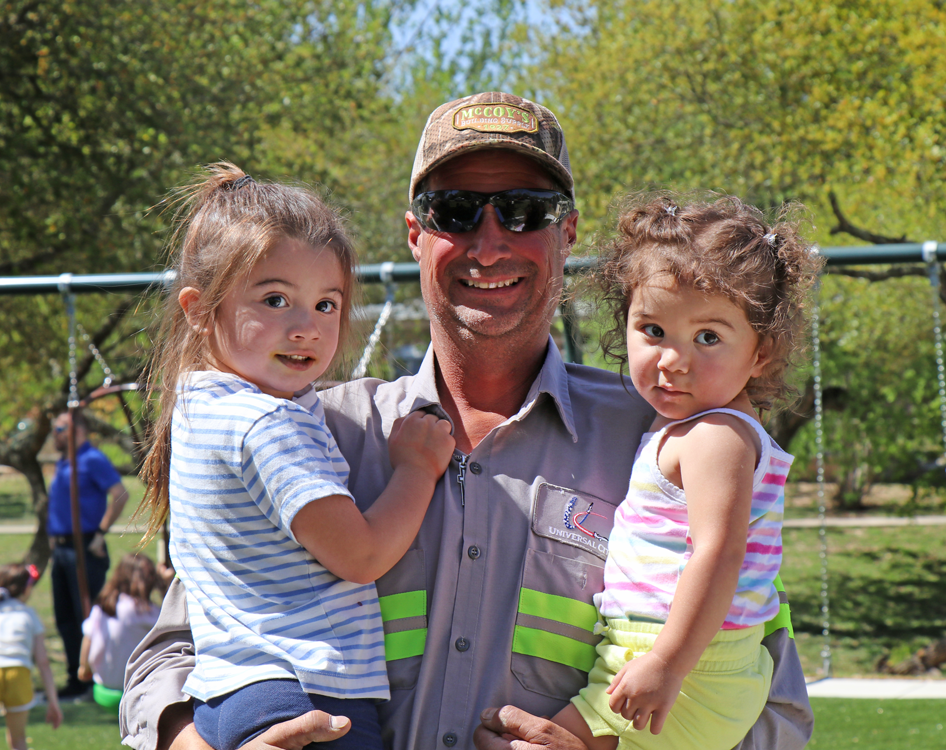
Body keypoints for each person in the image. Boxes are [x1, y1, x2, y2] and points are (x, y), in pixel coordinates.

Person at [120, 92, 814, 750]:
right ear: (415, 235)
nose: (488, 243)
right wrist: (196, 742)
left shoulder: (667, 442)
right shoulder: (313, 431)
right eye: (453, 211)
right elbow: (170, 653)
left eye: (524, 210)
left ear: (568, 232)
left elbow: (772, 704)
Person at [136, 164, 455, 750]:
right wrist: (416, 468)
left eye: (327, 304)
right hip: (308, 694)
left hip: (231, 695)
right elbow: (361, 555)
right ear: (199, 310)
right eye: (276, 299)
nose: (306, 327)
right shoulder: (266, 424)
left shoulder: (201, 408)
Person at [548, 195, 820, 750]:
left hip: (688, 663)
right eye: (652, 329)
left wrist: (667, 664)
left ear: (761, 353)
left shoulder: (715, 436)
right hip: (682, 658)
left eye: (708, 337)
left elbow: (718, 553)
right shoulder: (695, 427)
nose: (673, 360)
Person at [47, 408, 130, 697]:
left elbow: (120, 493)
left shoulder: (92, 459)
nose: (54, 434)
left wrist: (100, 532)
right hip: (61, 548)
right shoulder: (64, 462)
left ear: (77, 430)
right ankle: (75, 679)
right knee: (64, 616)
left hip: (84, 546)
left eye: (59, 429)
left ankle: (94, 678)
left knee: (87, 616)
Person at [0, 563, 62, 750]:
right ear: (27, 588)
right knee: (18, 741)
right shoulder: (29, 614)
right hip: (19, 674)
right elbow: (43, 663)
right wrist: (53, 702)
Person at [79, 553, 163, 714]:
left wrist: (84, 667)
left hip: (104, 688)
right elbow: (171, 621)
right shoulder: (147, 613)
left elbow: (88, 639)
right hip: (135, 690)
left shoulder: (103, 608)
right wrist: (166, 586)